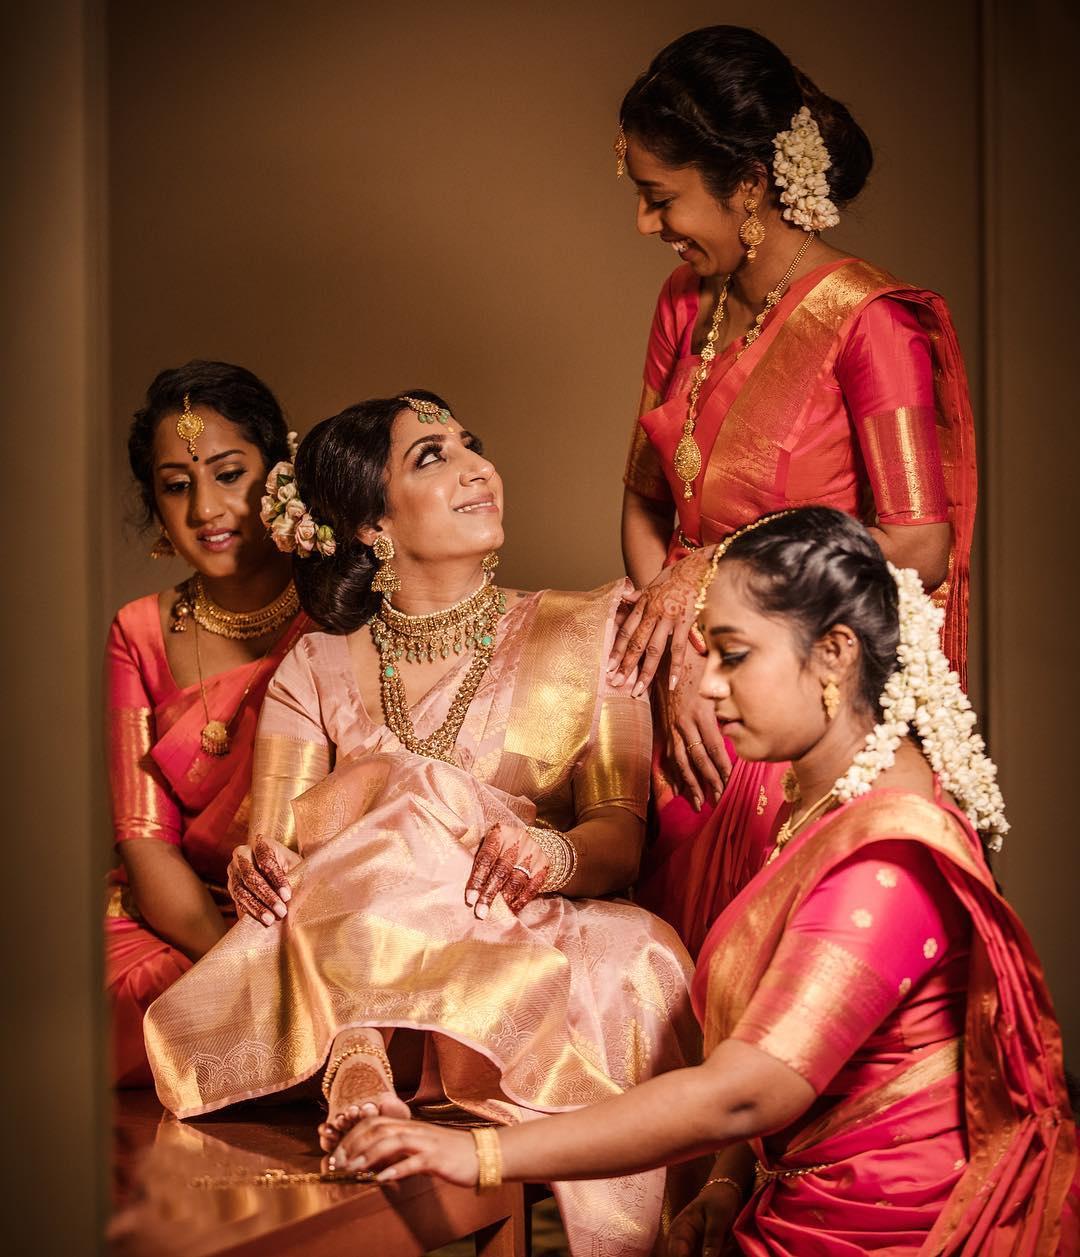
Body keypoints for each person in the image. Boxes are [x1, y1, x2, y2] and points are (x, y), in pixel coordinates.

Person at [333, 507, 1077, 1255]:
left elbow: (745, 1089)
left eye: (733, 654)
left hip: (889, 1227)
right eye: (705, 654)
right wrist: (724, 1187)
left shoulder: (886, 859)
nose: (707, 687)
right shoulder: (820, 804)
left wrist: (478, 1155)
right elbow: (786, 1042)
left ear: (835, 654)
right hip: (793, 1197)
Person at [143, 391, 701, 1256]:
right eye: (432, 456)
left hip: (526, 950)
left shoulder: (591, 627)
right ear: (372, 523)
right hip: (358, 988)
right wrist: (263, 865)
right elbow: (285, 849)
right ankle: (357, 1059)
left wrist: (546, 852)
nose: (478, 466)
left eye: (472, 444)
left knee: (639, 954)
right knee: (397, 795)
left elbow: (618, 836)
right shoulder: (316, 664)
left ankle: (371, 1071)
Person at [607, 26, 977, 948]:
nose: (647, 226)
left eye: (662, 199)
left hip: (798, 699)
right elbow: (647, 502)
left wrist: (722, 594)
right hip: (681, 692)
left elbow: (919, 546)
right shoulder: (683, 305)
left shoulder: (869, 327)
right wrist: (679, 648)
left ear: (747, 185)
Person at [106, 361, 311, 1087]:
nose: (205, 509)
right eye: (176, 485)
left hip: (314, 905)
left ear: (280, 475)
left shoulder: (340, 606)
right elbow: (144, 839)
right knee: (131, 1002)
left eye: (229, 474)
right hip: (188, 920)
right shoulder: (138, 630)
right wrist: (233, 957)